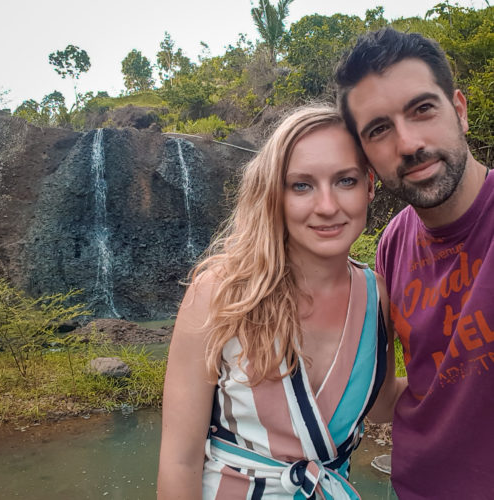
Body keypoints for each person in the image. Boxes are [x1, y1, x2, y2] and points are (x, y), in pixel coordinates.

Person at [157, 106, 405, 499]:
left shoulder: (379, 295)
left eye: (345, 180)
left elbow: (382, 404)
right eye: (301, 185)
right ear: (275, 193)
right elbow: (179, 462)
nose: (327, 206)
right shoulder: (220, 293)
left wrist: (469, 373)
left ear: (369, 186)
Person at [336, 27, 493, 499]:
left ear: (460, 111)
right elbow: (389, 394)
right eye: (379, 129)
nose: (407, 143)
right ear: (366, 157)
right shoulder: (392, 242)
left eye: (423, 109)